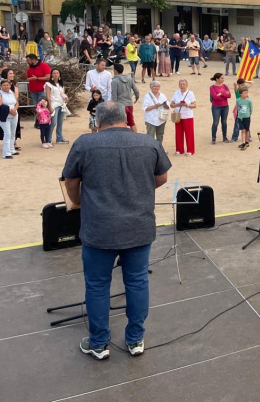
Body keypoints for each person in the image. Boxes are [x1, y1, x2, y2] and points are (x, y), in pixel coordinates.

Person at [62, 101, 171, 361]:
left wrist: (78, 202)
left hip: (100, 227)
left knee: (98, 285)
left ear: (98, 121)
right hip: (139, 226)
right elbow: (162, 178)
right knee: (137, 281)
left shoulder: (85, 144)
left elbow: (71, 181)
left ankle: (99, 343)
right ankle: (135, 339)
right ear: (125, 118)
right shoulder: (148, 143)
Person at [111, 63, 140, 132]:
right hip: (129, 104)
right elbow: (136, 90)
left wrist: (113, 106)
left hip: (119, 105)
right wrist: (137, 97)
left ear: (115, 70)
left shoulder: (115, 81)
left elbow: (114, 95)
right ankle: (135, 137)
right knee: (131, 122)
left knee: (120, 123)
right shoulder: (129, 78)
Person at [171, 79, 196, 156]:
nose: (182, 86)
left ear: (186, 85)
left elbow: (194, 105)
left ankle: (190, 150)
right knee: (178, 133)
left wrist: (187, 105)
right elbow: (171, 104)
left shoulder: (190, 93)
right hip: (178, 115)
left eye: (183, 84)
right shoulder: (176, 93)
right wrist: (176, 105)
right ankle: (179, 149)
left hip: (187, 116)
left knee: (189, 133)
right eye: (181, 84)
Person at [45, 68, 69, 145]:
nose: (56, 74)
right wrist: (49, 106)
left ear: (59, 75)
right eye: (54, 73)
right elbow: (48, 96)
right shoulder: (48, 84)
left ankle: (59, 138)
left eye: (57, 73)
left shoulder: (61, 85)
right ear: (51, 74)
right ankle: (48, 139)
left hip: (61, 104)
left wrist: (65, 98)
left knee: (60, 122)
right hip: (54, 104)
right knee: (53, 122)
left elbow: (63, 94)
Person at [142, 81, 169, 146]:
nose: (156, 88)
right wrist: (154, 106)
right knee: (150, 136)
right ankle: (150, 150)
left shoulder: (163, 96)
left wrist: (164, 105)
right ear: (150, 87)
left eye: (158, 86)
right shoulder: (147, 96)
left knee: (160, 135)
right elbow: (145, 108)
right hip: (151, 120)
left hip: (161, 119)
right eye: (154, 86)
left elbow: (168, 107)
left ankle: (159, 149)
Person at [209, 73, 231, 144]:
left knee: (224, 122)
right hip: (216, 106)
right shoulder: (212, 87)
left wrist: (221, 94)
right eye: (221, 78)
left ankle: (224, 136)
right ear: (217, 79)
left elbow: (229, 95)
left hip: (225, 106)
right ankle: (213, 137)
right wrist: (224, 95)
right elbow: (215, 97)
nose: (223, 79)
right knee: (216, 122)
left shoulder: (225, 86)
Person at [0, 78, 18, 159]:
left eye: (7, 85)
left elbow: (17, 103)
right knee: (7, 133)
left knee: (13, 133)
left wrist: (14, 109)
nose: (6, 87)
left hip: (14, 114)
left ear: (10, 85)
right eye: (4, 85)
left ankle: (11, 149)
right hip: (5, 115)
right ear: (1, 86)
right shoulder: (0, 93)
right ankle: (6, 153)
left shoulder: (12, 92)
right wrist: (10, 110)